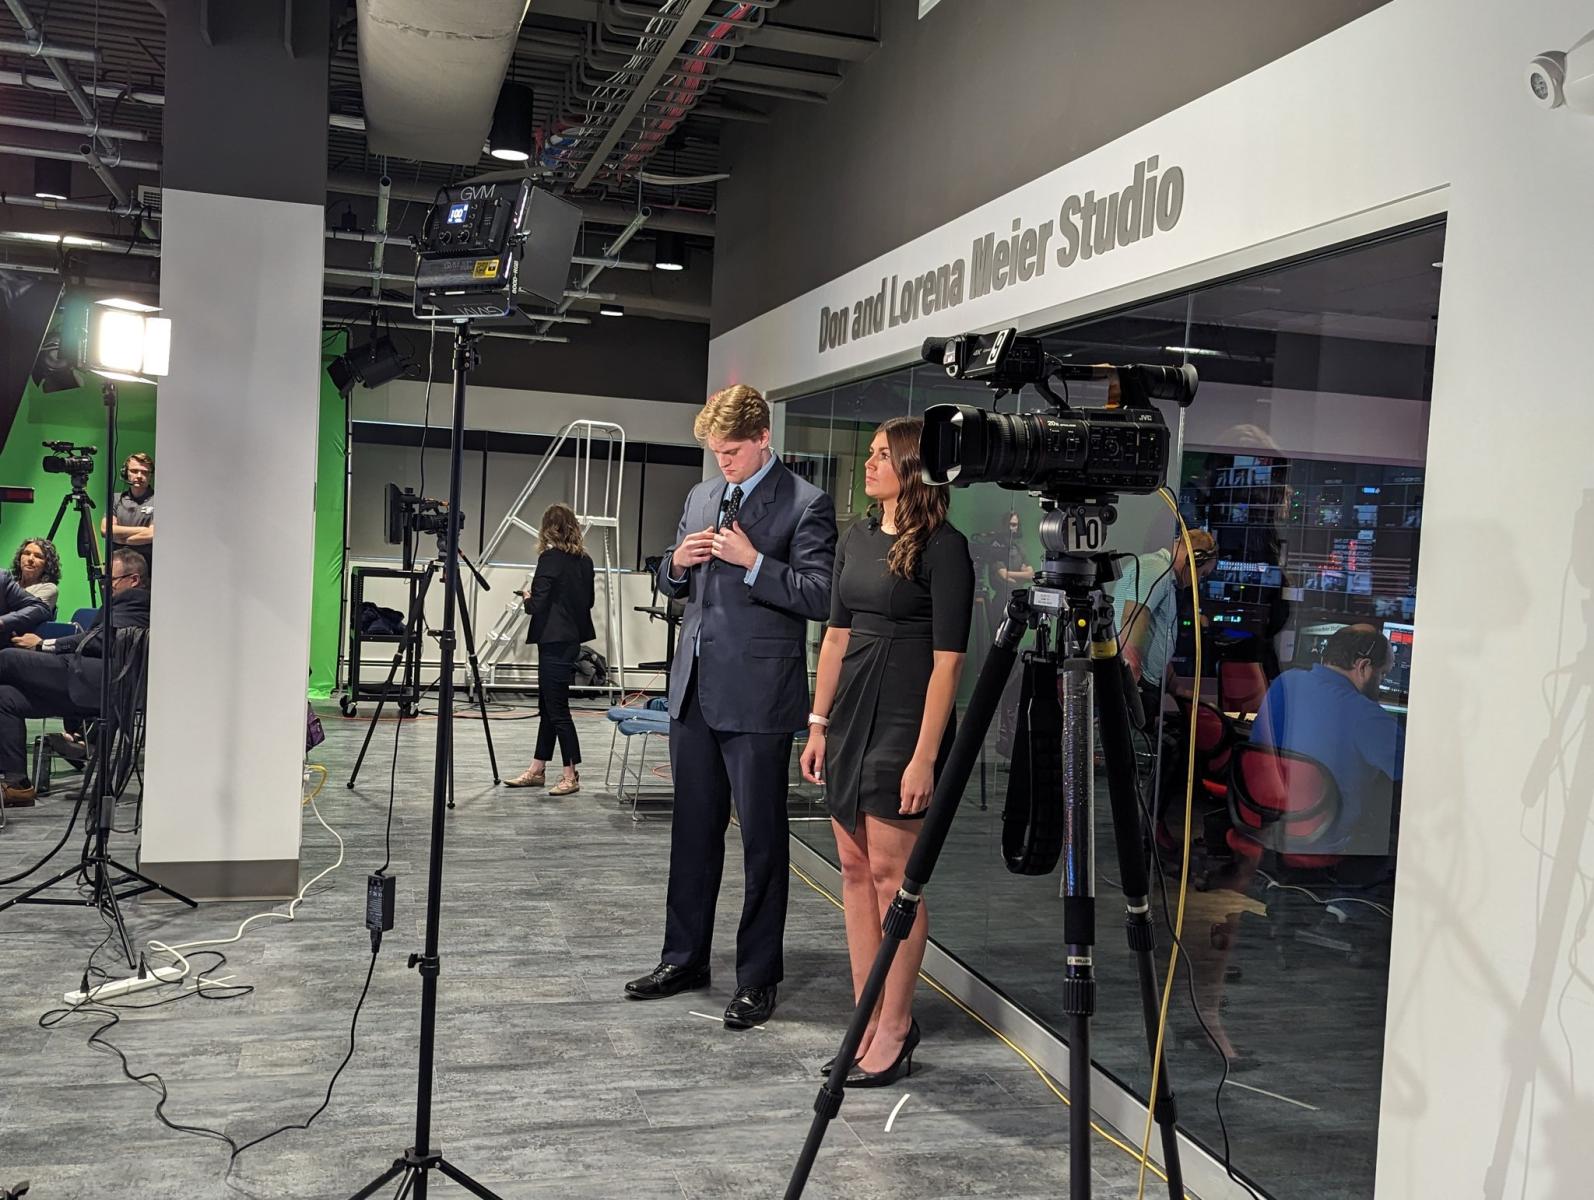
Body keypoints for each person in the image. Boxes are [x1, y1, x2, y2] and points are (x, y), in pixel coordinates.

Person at [625, 384, 836, 1030]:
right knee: (691, 838)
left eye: (734, 452)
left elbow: (820, 596)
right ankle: (684, 957)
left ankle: (757, 978)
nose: (724, 464)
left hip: (759, 700)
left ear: (763, 438)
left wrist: (752, 563)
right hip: (694, 691)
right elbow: (671, 579)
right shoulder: (701, 496)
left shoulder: (808, 505)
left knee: (763, 847)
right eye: (717, 452)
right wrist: (674, 566)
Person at [801, 417, 973, 1087]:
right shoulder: (857, 538)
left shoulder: (945, 548)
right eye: (869, 453)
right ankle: (865, 1017)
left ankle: (897, 1027)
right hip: (849, 716)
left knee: (893, 876)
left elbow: (949, 664)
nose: (868, 463)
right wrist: (817, 724)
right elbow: (836, 639)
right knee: (851, 867)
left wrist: (926, 757)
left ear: (912, 466)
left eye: (881, 455)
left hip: (906, 718)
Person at [0, 548, 148, 808]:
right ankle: (17, 786)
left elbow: (101, 639)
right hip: (80, 685)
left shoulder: (138, 599)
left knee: (8, 658)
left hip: (98, 682)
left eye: (110, 580)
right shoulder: (120, 602)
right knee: (6, 698)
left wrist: (43, 644)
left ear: (133, 580)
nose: (105, 585)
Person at [1248, 623, 1405, 855]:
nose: (1381, 684)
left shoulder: (1286, 682)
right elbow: (1416, 779)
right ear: (1363, 667)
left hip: (1266, 819)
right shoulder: (1369, 717)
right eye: (1382, 674)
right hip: (1324, 838)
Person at [505, 503, 595, 796]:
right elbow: (589, 602)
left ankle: (570, 775)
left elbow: (538, 605)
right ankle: (537, 769)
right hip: (570, 640)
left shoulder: (549, 558)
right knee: (548, 707)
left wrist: (528, 596)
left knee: (557, 710)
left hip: (553, 642)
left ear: (547, 529)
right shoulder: (586, 561)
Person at [1110, 528, 1218, 720]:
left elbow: (1156, 640)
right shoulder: (1156, 569)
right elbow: (1134, 615)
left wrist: (1177, 689)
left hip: (1140, 683)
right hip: (1136, 684)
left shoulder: (1162, 573)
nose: (1197, 581)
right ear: (1196, 559)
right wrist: (1132, 677)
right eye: (1203, 573)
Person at [103, 452, 155, 572]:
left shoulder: (159, 500)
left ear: (151, 476)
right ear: (125, 472)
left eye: (145, 472)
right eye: (134, 471)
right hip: (117, 568)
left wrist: (123, 541)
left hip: (148, 569)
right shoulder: (116, 499)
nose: (139, 476)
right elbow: (106, 530)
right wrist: (142, 530)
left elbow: (153, 534)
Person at [11, 537, 61, 615]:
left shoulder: (49, 589)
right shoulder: (11, 584)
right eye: (27, 553)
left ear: (47, 565)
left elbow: (24, 614)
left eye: (38, 556)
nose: (30, 559)